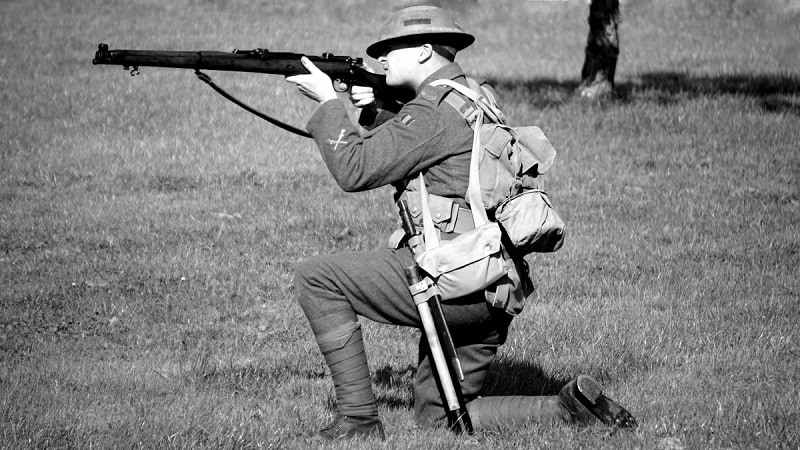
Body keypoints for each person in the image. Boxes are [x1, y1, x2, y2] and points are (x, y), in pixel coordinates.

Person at [285, 5, 636, 441]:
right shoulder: (471, 95)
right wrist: (376, 111)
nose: (381, 59)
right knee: (440, 420)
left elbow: (355, 169)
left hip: (451, 281)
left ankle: (357, 419)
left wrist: (326, 104)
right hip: (493, 287)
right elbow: (433, 156)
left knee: (317, 279)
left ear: (426, 51)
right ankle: (568, 409)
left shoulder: (431, 112)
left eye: (392, 49)